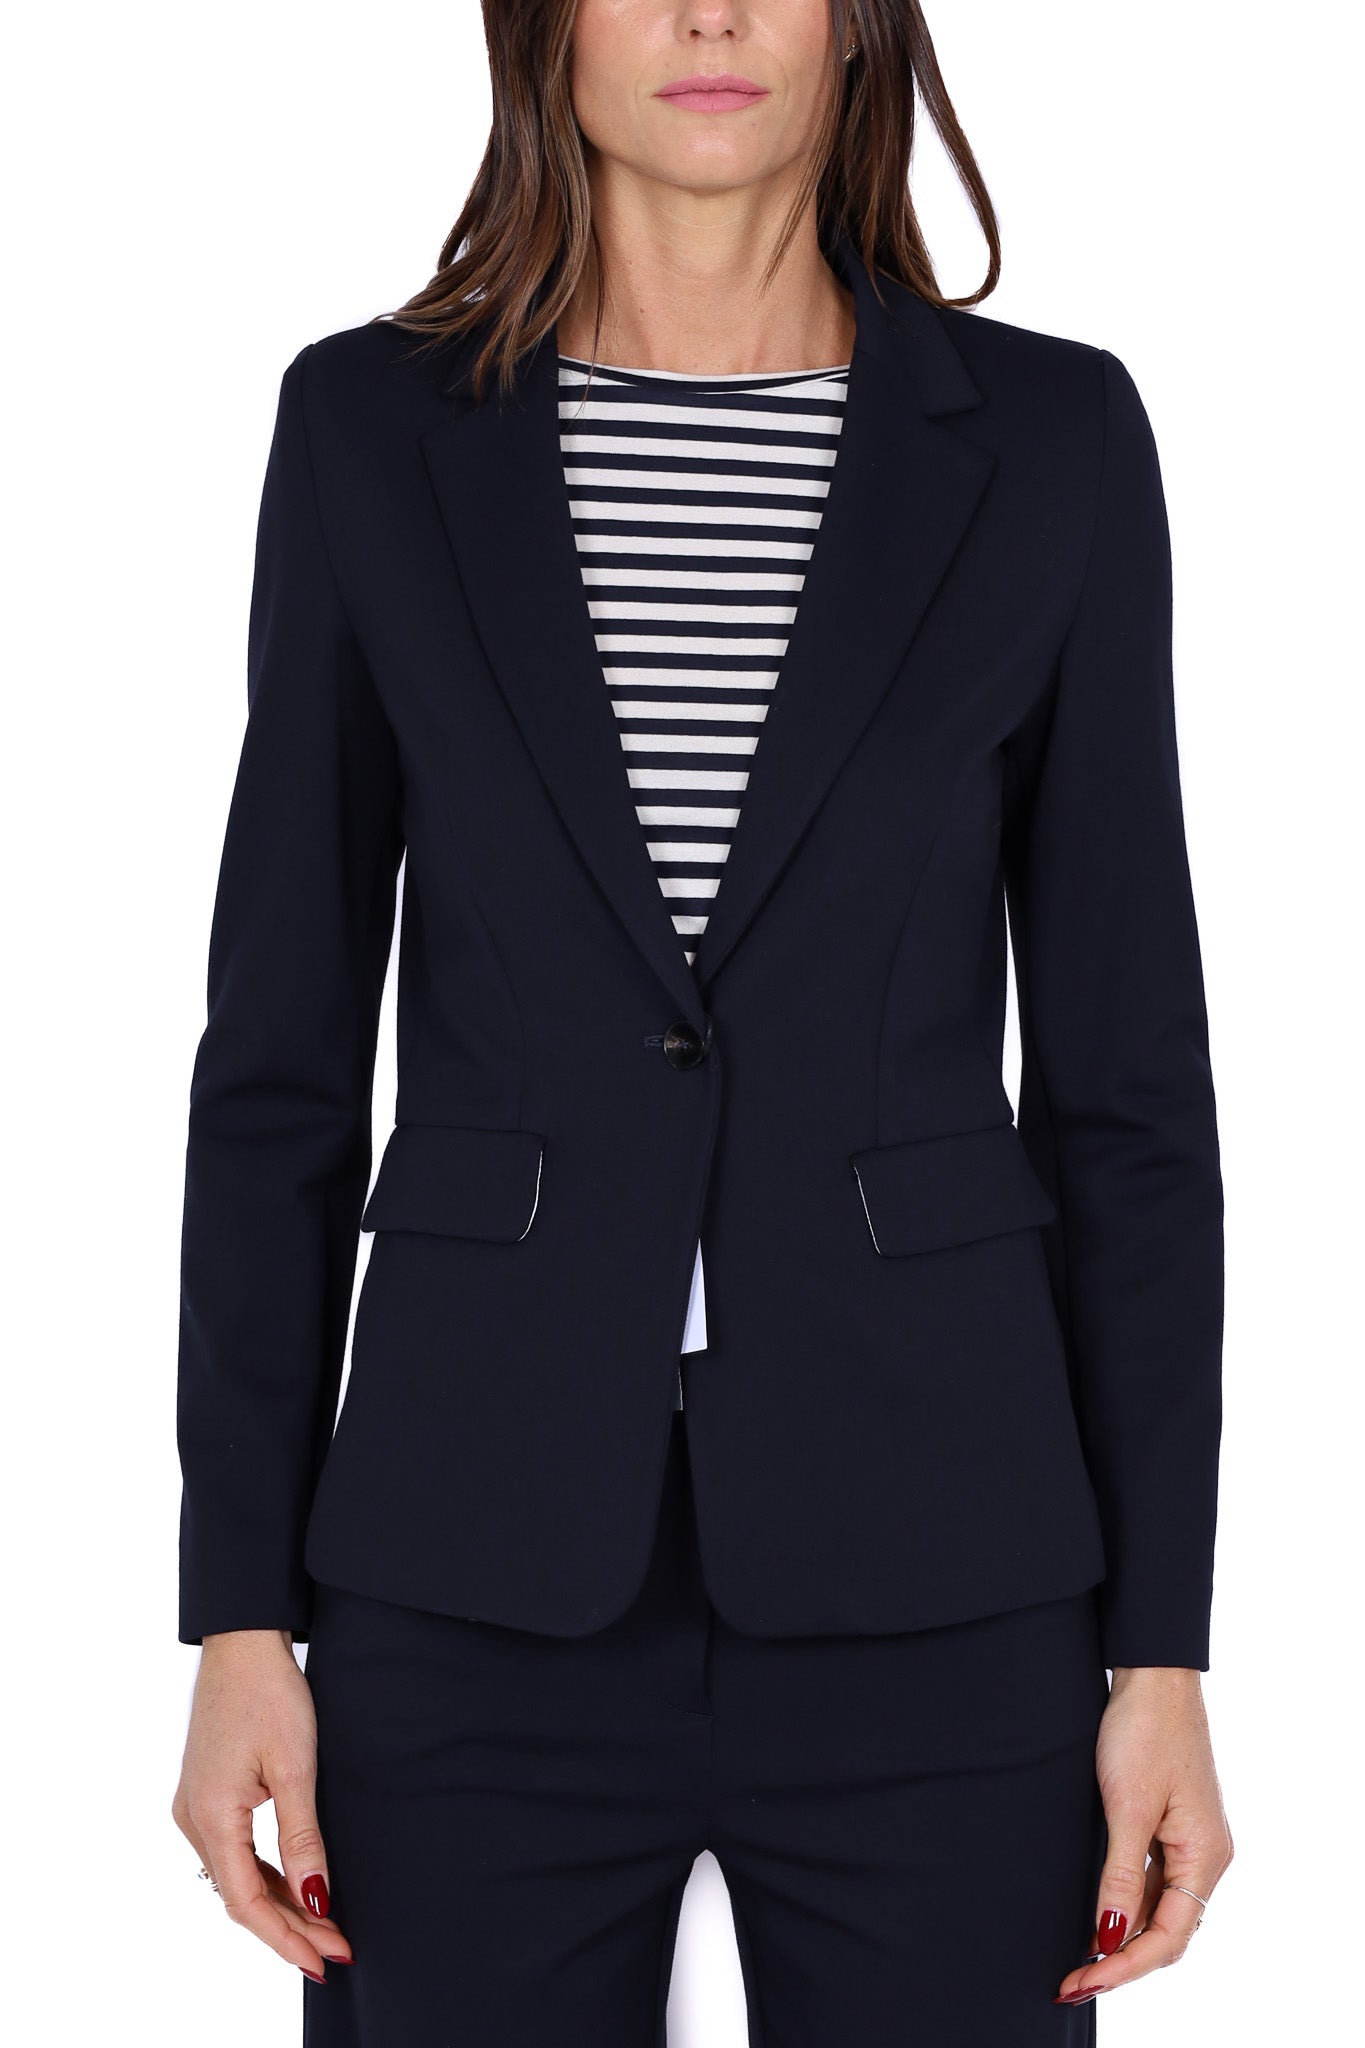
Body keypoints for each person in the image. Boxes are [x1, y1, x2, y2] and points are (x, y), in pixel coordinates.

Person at [171, 2, 1234, 2039]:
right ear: (539, 28)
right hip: (464, 1567)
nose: (710, 13)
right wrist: (237, 1616)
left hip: (944, 1566)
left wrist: (1160, 1649)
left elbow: (1126, 1093)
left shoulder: (1051, 442)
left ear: (857, 29)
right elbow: (277, 1070)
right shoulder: (368, 432)